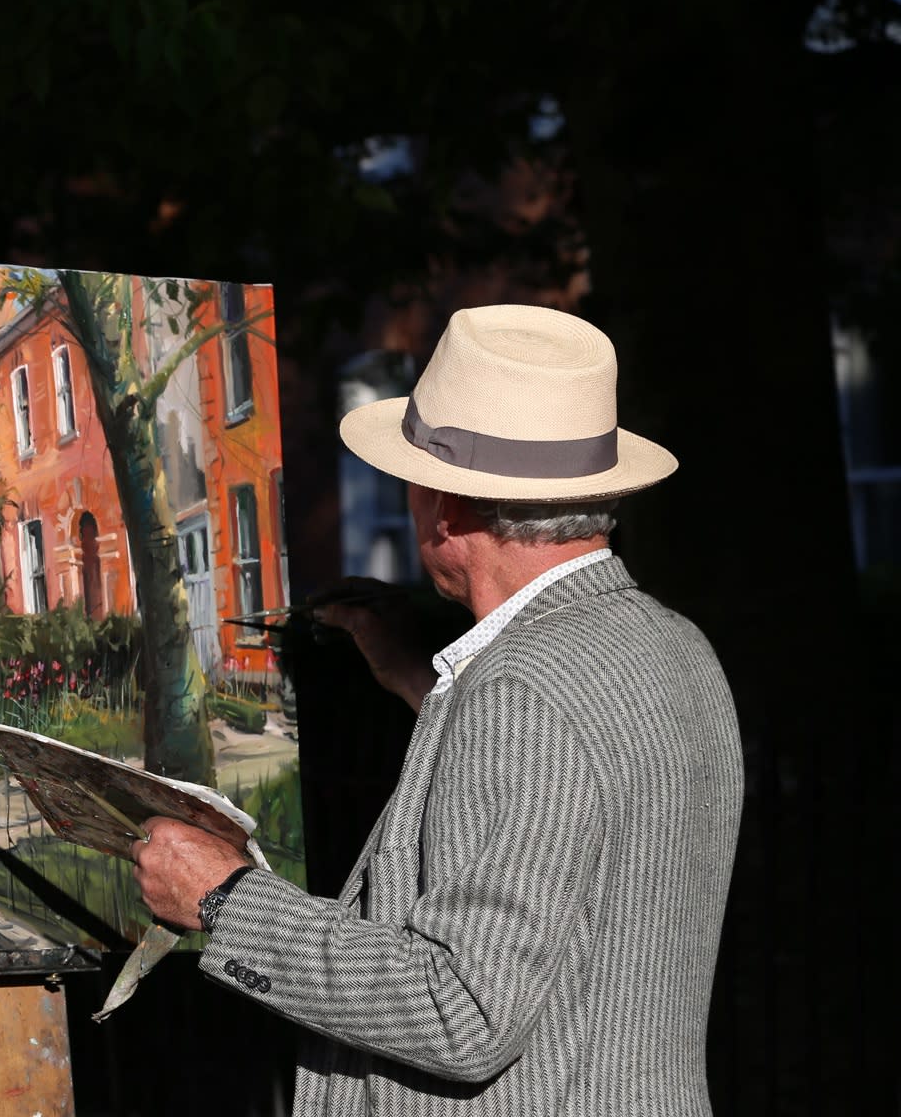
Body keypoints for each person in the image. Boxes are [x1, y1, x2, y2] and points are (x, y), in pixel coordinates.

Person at [132, 304, 743, 1114]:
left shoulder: (523, 694)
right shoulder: (674, 647)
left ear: (448, 509)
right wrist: (421, 685)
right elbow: (576, 802)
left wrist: (227, 900)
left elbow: (464, 1010)